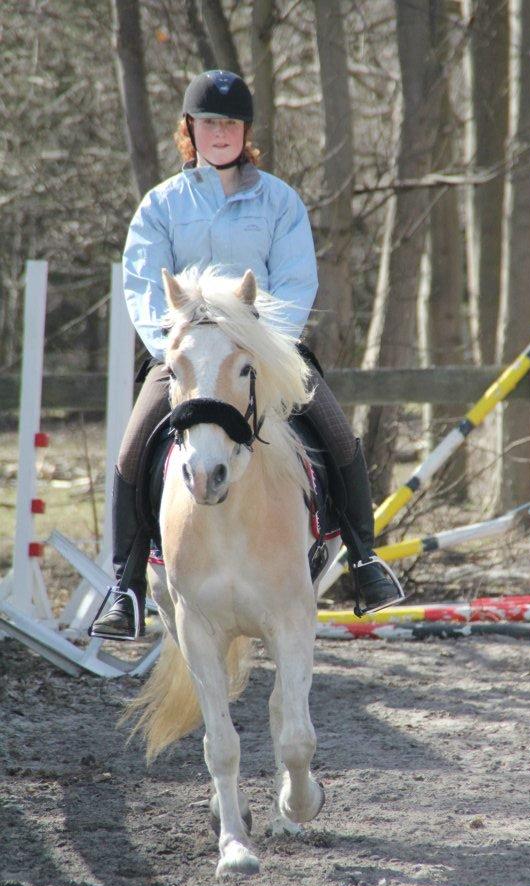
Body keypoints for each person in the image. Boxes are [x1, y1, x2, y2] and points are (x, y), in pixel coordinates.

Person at [91, 69, 404, 641]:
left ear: (245, 132)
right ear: (191, 129)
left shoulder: (279, 201)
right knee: (134, 448)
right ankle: (126, 587)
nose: (220, 133)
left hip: (266, 351)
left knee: (336, 433)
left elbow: (295, 282)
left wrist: (262, 348)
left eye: (230, 123)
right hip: (184, 355)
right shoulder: (161, 205)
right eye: (209, 122)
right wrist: (178, 349)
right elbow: (142, 287)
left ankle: (363, 559)